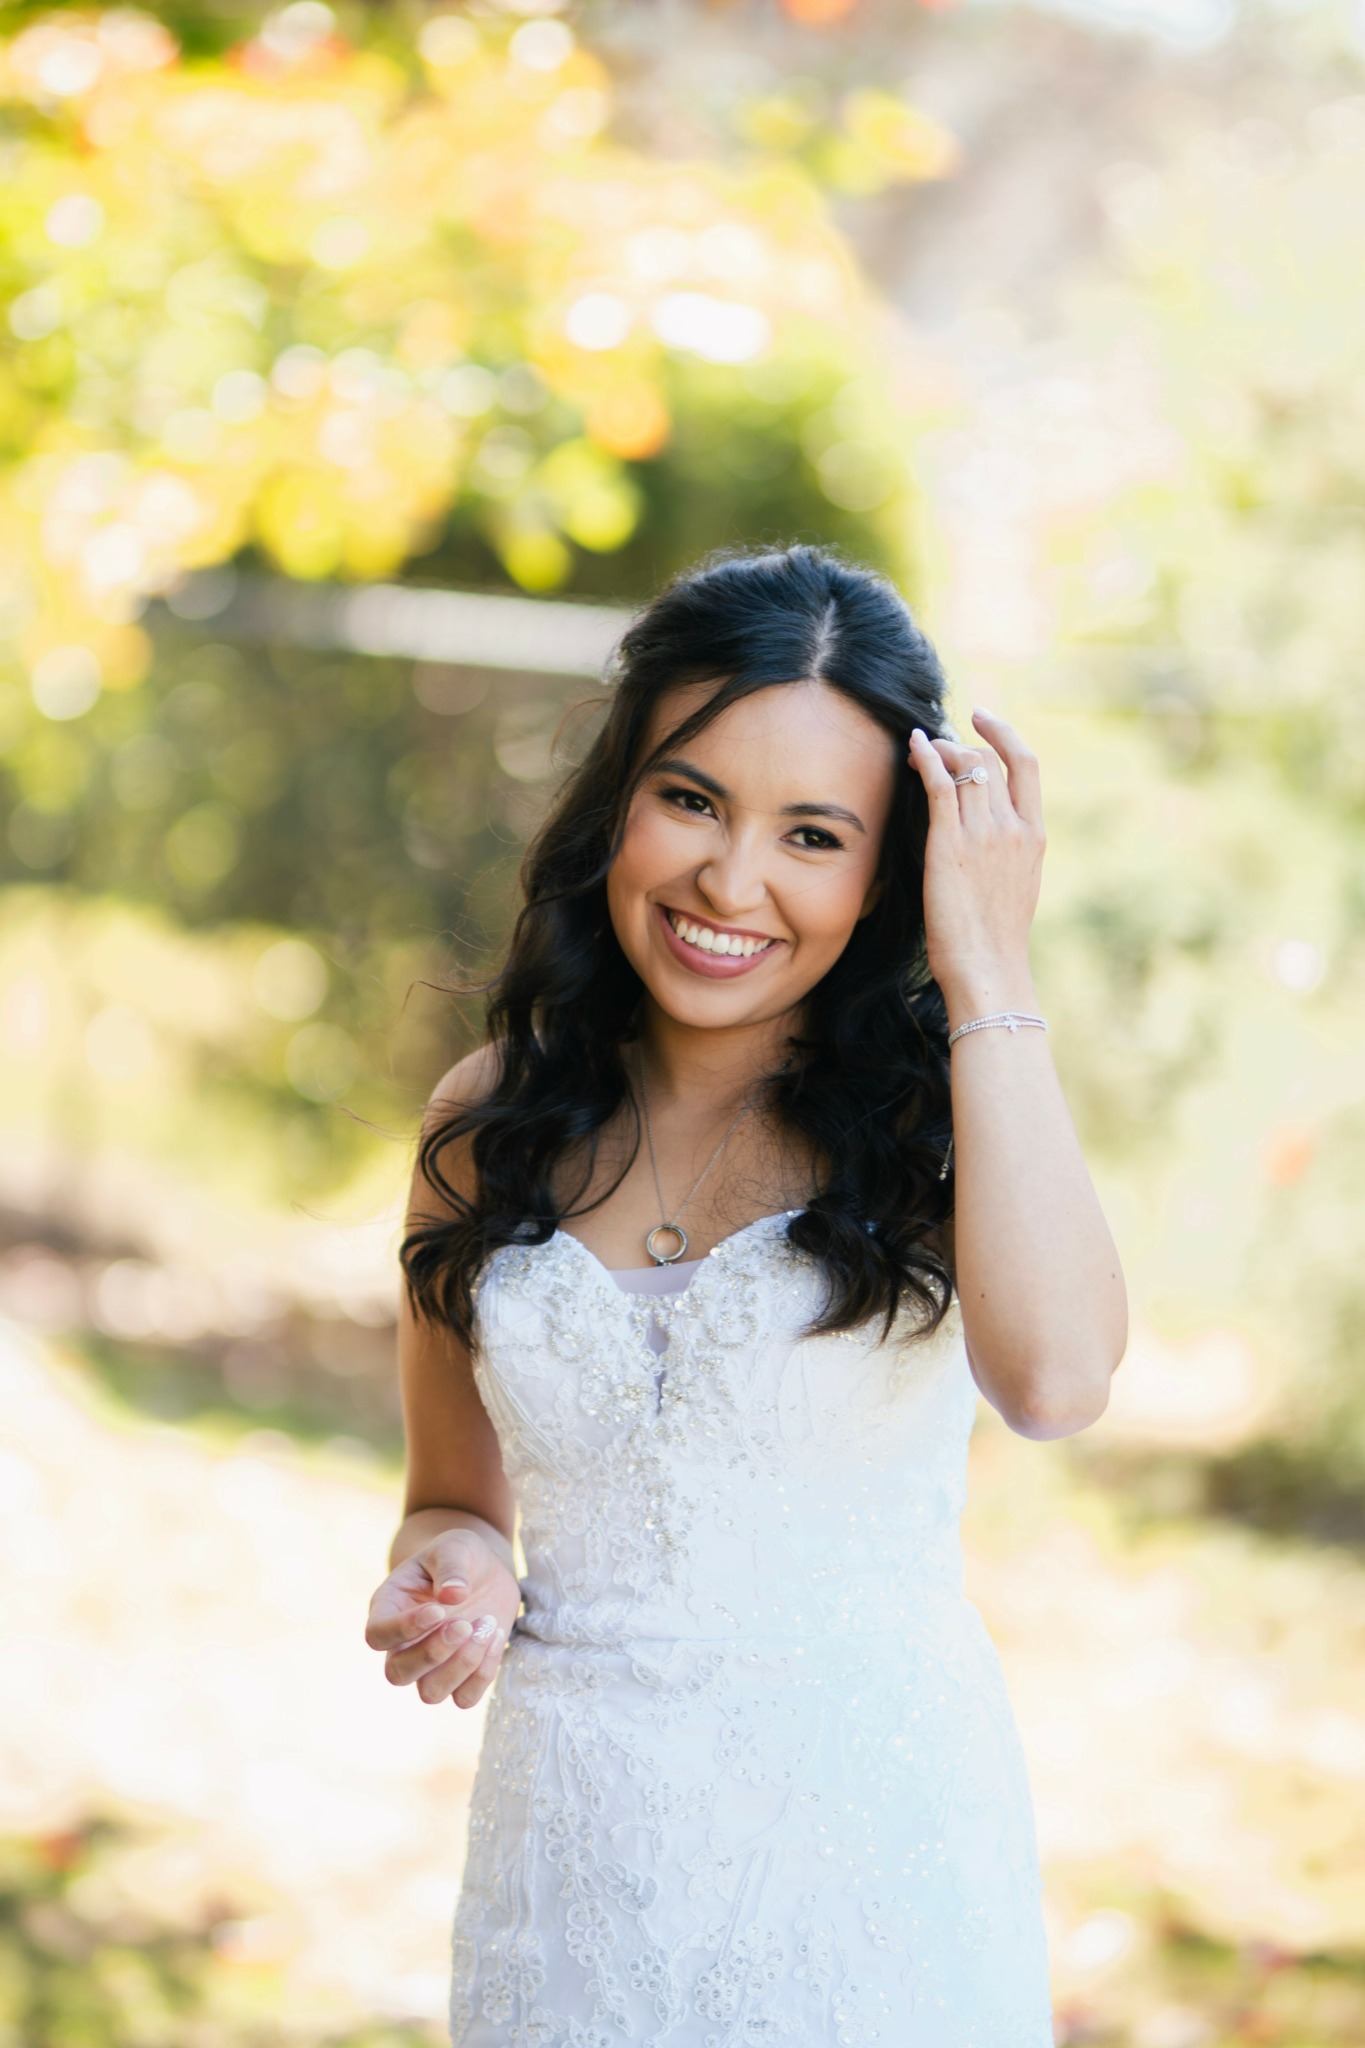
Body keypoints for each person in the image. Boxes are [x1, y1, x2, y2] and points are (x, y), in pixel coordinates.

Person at [364, 542, 1128, 2046]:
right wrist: (456, 1573)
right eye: (693, 800)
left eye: (813, 835)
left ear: (889, 869)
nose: (730, 882)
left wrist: (986, 971)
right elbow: (448, 1497)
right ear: (619, 797)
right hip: (568, 1874)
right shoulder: (486, 1121)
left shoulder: (947, 1124)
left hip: (870, 1876)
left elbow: (1056, 1384)